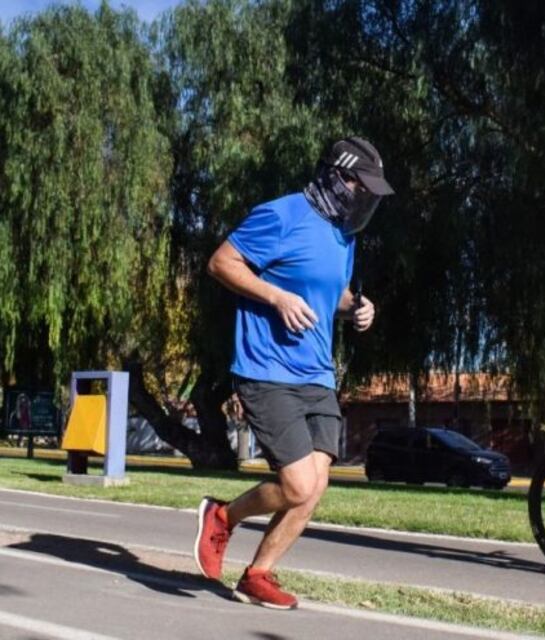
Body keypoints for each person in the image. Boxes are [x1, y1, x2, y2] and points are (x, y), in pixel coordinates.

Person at [194, 136, 393, 609]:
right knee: (297, 483)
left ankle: (258, 573)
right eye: (359, 185)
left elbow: (332, 294)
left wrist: (358, 308)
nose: (364, 197)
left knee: (316, 485)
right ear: (336, 177)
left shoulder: (344, 236)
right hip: (267, 369)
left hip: (317, 374)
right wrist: (275, 297)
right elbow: (221, 263)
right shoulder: (281, 215)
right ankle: (223, 516)